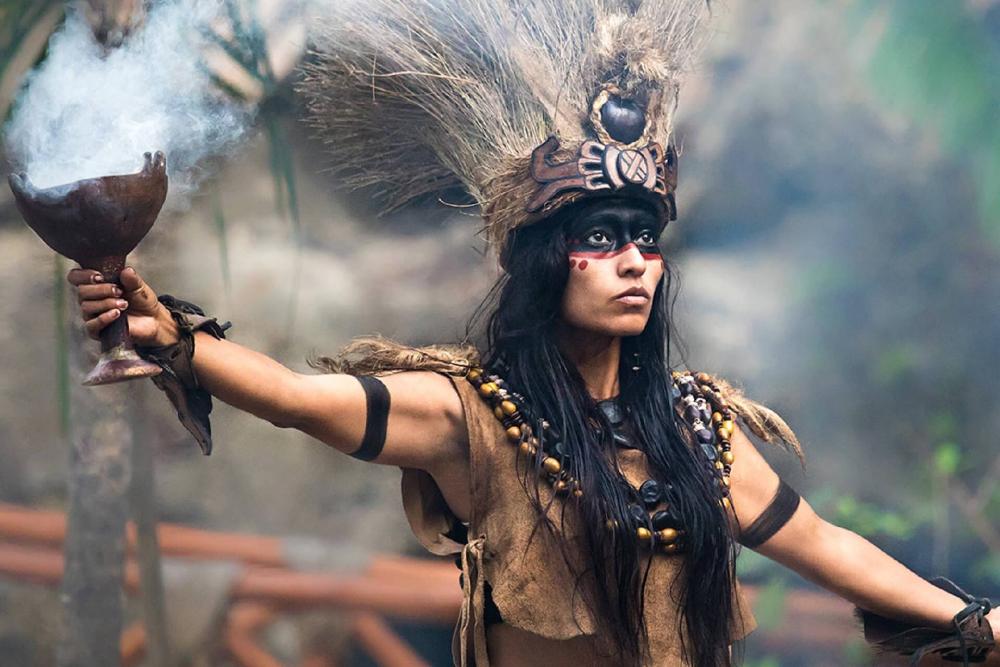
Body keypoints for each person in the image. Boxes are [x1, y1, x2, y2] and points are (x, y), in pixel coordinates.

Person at [67, 1, 997, 665]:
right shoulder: (473, 417)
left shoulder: (698, 431)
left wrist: (971, 619)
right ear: (550, 262)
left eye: (645, 241)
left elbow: (825, 544)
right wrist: (176, 339)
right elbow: (301, 399)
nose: (634, 262)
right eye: (602, 239)